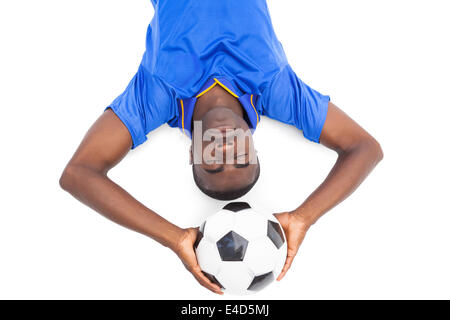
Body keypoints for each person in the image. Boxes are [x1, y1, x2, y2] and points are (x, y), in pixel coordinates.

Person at [59, 0, 383, 295]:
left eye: (213, 162)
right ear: (254, 145)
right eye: (241, 157)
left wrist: (174, 238)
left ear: (191, 153)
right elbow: (365, 148)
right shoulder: (274, 89)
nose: (226, 149)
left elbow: (78, 174)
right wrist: (303, 218)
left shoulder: (156, 96)